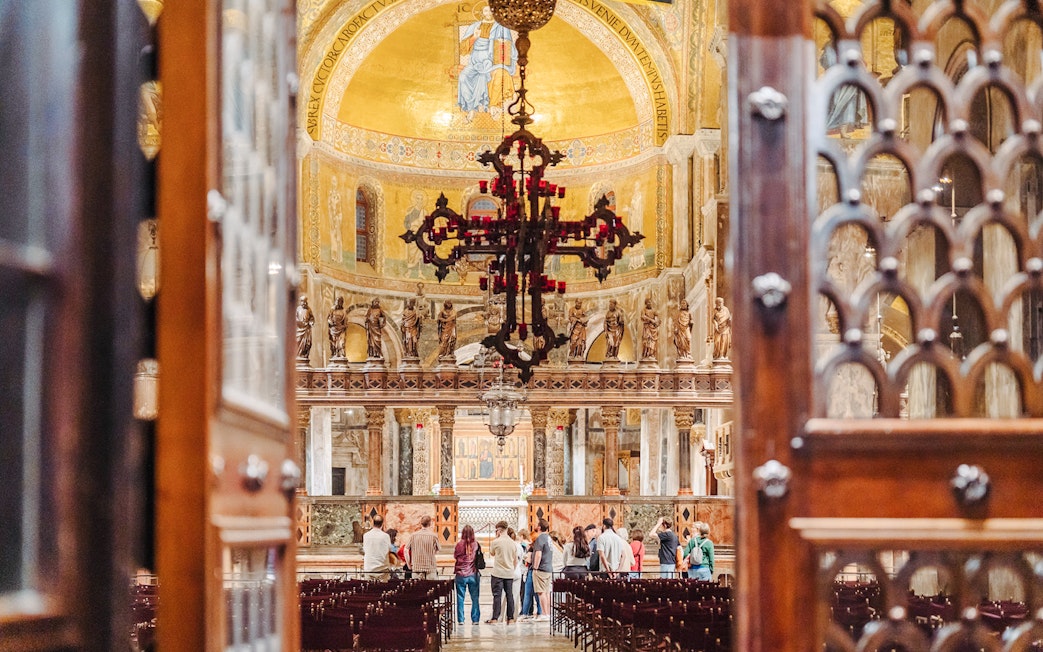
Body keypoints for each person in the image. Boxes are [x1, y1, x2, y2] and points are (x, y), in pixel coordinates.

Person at [457, 5, 516, 120]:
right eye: (486, 10)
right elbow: (462, 49)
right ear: (482, 12)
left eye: (491, 10)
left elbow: (511, 48)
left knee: (500, 74)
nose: (488, 13)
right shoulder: (475, 26)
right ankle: (471, 108)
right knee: (463, 77)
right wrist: (474, 37)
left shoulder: (502, 27)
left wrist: (502, 43)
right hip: (476, 62)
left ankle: (494, 106)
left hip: (494, 62)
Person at [486, 520, 517, 624]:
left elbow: (492, 553)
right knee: (510, 595)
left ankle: (495, 618)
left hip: (498, 572)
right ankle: (510, 618)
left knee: (497, 595)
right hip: (509, 572)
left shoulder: (496, 542)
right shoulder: (513, 543)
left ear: (498, 530)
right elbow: (514, 559)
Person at [453, 525, 481, 625]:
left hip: (461, 573)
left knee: (460, 598)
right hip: (473, 573)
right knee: (475, 598)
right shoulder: (476, 544)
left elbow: (455, 556)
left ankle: (461, 620)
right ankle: (475, 619)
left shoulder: (459, 544)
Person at [529, 519, 554, 622]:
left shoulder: (540, 538)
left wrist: (535, 567)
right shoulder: (549, 538)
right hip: (548, 567)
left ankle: (544, 613)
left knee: (541, 592)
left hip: (541, 568)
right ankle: (548, 613)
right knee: (547, 592)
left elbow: (538, 554)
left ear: (539, 527)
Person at [407, 515, 441, 580]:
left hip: (416, 567)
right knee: (431, 588)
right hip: (430, 568)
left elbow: (406, 550)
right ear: (430, 523)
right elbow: (438, 549)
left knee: (418, 589)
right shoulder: (434, 536)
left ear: (421, 523)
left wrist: (409, 564)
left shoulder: (413, 535)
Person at [362, 515, 392, 580]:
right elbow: (389, 550)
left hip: (369, 568)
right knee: (382, 589)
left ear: (372, 522)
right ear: (383, 523)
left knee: (369, 589)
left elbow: (365, 549)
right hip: (382, 568)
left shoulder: (366, 535)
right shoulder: (386, 536)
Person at [295, 295, 315, 360]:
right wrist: (298, 321)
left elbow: (312, 318)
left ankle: (304, 355)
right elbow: (295, 317)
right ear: (301, 302)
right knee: (298, 341)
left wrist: (311, 322)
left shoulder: (308, 309)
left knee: (307, 343)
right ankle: (298, 355)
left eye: (306, 301)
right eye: (303, 301)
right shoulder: (298, 309)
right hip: (299, 329)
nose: (305, 303)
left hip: (306, 329)